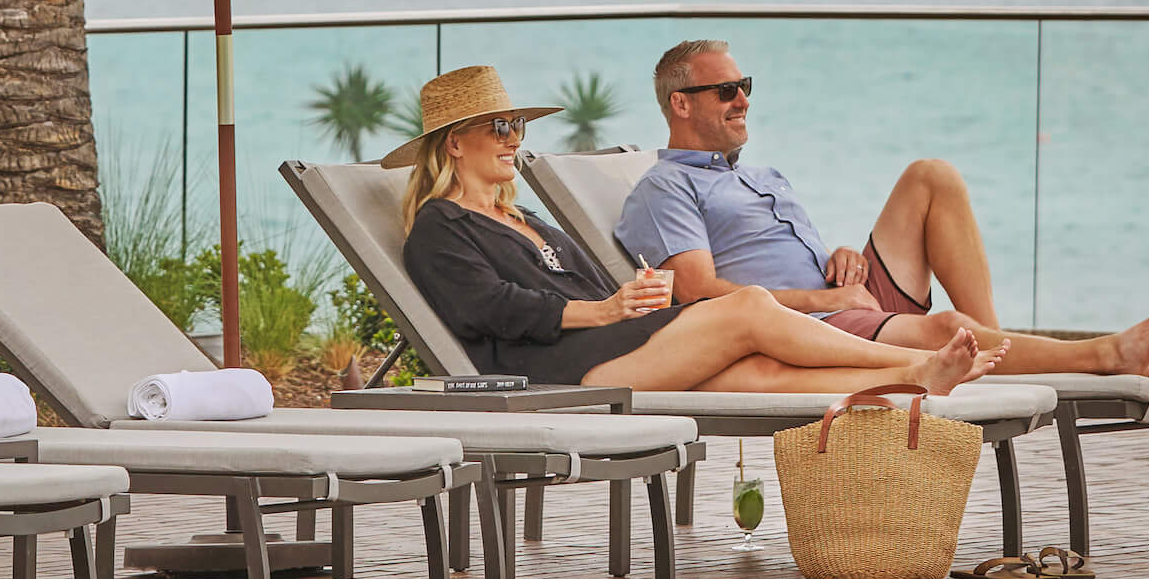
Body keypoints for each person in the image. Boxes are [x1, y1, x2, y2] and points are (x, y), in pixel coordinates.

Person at [394, 65, 1006, 396]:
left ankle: (914, 379)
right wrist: (606, 313)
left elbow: (583, 290)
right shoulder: (440, 228)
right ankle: (911, 360)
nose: (514, 138)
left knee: (760, 376)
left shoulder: (525, 220)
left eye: (517, 126)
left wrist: (633, 298)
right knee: (749, 308)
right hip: (562, 370)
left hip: (619, 344)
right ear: (454, 142)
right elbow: (492, 310)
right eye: (499, 127)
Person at [614, 39, 1149, 376]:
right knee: (946, 328)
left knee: (930, 177)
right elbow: (693, 292)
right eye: (726, 91)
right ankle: (1106, 355)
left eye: (746, 85)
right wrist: (822, 297)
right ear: (681, 104)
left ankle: (994, 342)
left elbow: (776, 254)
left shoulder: (763, 175)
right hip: (809, 325)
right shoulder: (666, 187)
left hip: (848, 299)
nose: (743, 100)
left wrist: (837, 257)